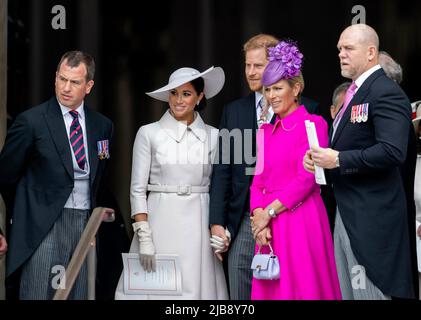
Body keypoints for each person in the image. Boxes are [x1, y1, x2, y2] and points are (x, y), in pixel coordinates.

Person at [304, 24, 415, 299]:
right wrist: (322, 161)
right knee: (350, 293)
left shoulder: (385, 91)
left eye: (348, 48)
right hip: (347, 211)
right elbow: (352, 147)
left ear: (370, 52)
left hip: (373, 218)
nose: (341, 54)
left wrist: (338, 159)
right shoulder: (354, 92)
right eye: (340, 48)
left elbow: (392, 151)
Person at [209, 34, 321, 300]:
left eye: (258, 66)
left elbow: (310, 175)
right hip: (245, 217)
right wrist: (216, 222)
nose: (251, 72)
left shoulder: (309, 111)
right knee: (240, 285)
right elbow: (223, 169)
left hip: (291, 216)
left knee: (288, 290)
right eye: (247, 65)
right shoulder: (233, 111)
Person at [0, 50, 113, 300]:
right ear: (55, 78)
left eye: (74, 82)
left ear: (89, 86)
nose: (66, 88)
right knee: (40, 292)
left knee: (81, 293)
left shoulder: (102, 126)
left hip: (85, 222)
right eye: (62, 79)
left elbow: (102, 177)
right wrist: (24, 214)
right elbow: (5, 176)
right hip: (42, 225)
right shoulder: (31, 122)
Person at [114, 66, 228, 300]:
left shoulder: (215, 136)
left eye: (186, 94)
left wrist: (221, 227)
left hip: (199, 224)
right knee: (158, 292)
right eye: (174, 93)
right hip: (159, 224)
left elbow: (222, 188)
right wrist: (144, 236)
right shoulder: (148, 133)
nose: (178, 100)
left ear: (200, 96)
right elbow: (137, 189)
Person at [249, 40, 341, 300]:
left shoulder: (314, 124)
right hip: (268, 226)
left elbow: (307, 180)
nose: (272, 96)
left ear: (296, 88)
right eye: (267, 90)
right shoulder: (265, 132)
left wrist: (268, 212)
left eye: (278, 88)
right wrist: (258, 218)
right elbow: (257, 182)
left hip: (301, 220)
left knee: (304, 288)